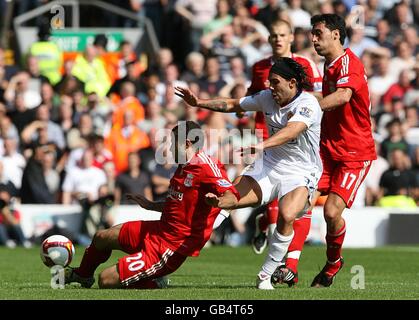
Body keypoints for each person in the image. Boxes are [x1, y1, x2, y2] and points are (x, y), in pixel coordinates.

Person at [175, 57, 323, 290]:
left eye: (275, 82)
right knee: (226, 201)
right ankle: (168, 258)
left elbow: (293, 130)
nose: (270, 87)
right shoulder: (266, 97)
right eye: (269, 83)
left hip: (301, 171)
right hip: (268, 166)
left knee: (286, 214)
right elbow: (234, 104)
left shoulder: (308, 104)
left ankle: (266, 275)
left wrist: (263, 145)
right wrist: (199, 102)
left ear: (292, 83)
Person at [64, 121, 240, 289]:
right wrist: (151, 205)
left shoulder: (206, 166)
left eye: (173, 143)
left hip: (170, 246)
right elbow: (177, 205)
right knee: (102, 237)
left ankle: (155, 281)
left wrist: (219, 202)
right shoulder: (183, 167)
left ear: (186, 144)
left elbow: (232, 197)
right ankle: (83, 275)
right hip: (158, 229)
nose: (170, 148)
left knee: (106, 280)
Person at [275, 14, 376, 288]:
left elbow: (343, 97)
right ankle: (290, 267)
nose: (313, 38)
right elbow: (324, 98)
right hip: (327, 151)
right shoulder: (329, 65)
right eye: (312, 33)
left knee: (331, 212)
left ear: (335, 34)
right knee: (301, 201)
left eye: (318, 33)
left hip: (355, 154)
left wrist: (307, 109)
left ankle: (333, 264)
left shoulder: (349, 63)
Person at [246, 20, 323, 278]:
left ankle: (287, 265)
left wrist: (303, 119)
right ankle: (280, 259)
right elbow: (251, 97)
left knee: (295, 206)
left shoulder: (305, 65)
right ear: (268, 39)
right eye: (273, 35)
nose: (278, 39)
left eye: (282, 35)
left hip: (297, 137)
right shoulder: (259, 67)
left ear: (291, 37)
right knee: (274, 201)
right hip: (263, 137)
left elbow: (320, 97)